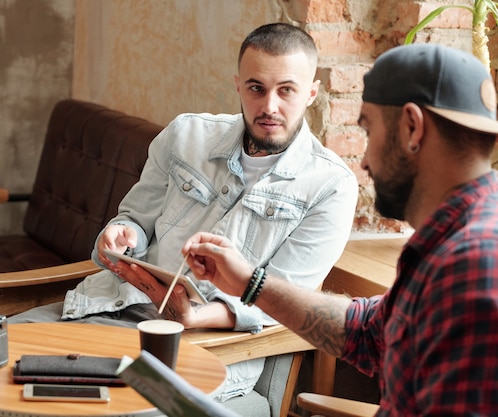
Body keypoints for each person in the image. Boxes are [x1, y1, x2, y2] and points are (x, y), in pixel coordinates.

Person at [0, 22, 358, 416]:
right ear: (238, 85)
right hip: (109, 309)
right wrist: (119, 234)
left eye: (287, 90)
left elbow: (286, 300)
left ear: (312, 92)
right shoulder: (186, 135)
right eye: (257, 88)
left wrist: (198, 317)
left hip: (203, 347)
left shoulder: (330, 186)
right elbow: (134, 219)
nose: (270, 105)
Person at [182, 43, 498, 415]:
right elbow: (369, 332)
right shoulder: (453, 240)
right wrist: (251, 283)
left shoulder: (473, 269)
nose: (363, 161)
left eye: (368, 130)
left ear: (412, 127)